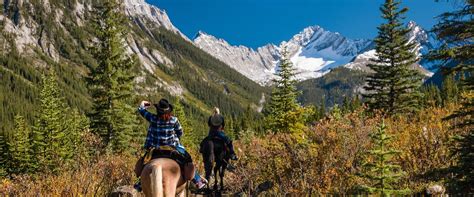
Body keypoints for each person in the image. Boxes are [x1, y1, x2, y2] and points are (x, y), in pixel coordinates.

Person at [134, 99, 208, 191]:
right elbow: (180, 132)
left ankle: (140, 182)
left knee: (144, 162)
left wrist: (142, 105)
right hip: (172, 147)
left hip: (155, 149)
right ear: (169, 111)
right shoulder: (174, 120)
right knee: (187, 159)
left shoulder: (152, 118)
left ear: (158, 111)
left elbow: (142, 111)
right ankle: (197, 181)